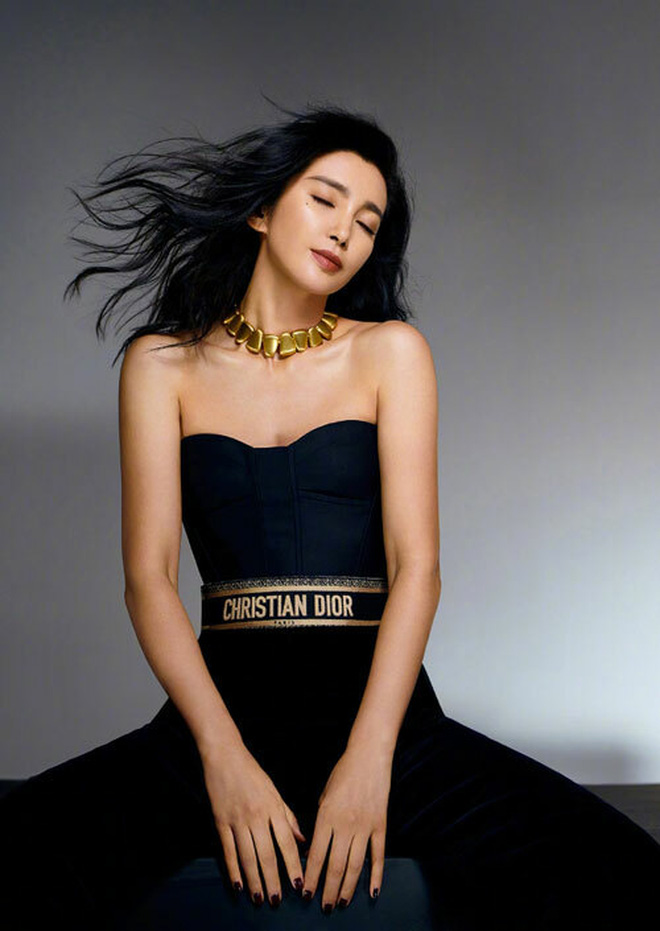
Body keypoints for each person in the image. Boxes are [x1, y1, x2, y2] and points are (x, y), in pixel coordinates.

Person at [1, 101, 658, 931]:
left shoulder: (391, 353)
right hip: (220, 722)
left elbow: (418, 569)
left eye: (368, 222)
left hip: (385, 724)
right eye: (325, 198)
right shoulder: (161, 364)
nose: (346, 230)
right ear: (261, 208)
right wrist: (223, 758)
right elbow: (148, 579)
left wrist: (372, 759)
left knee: (621, 871)